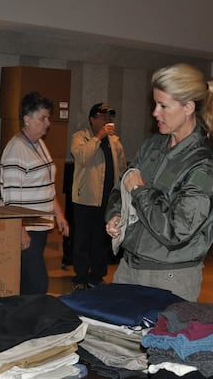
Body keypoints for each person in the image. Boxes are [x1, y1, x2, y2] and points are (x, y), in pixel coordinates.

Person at [105, 63, 213, 301]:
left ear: (188, 107)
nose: (155, 113)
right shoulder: (152, 147)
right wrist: (116, 214)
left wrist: (139, 191)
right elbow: (121, 187)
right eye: (155, 104)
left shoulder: (203, 169)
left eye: (163, 106)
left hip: (169, 277)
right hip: (129, 268)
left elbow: (177, 231)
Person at [0, 92, 69, 295]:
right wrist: (20, 229)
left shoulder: (38, 144)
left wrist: (59, 214)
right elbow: (11, 198)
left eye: (48, 118)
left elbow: (48, 184)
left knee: (27, 284)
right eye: (43, 118)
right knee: (38, 284)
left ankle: (23, 321)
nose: (48, 123)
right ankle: (27, 321)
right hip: (26, 228)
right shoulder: (16, 150)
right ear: (27, 119)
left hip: (39, 227)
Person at [69, 102, 127, 291]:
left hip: (107, 199)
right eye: (102, 116)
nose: (106, 120)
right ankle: (80, 278)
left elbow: (122, 168)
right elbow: (82, 158)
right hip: (86, 198)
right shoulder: (80, 137)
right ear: (92, 119)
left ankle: (97, 276)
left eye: (108, 117)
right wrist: (99, 136)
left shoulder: (115, 141)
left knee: (101, 240)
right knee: (82, 240)